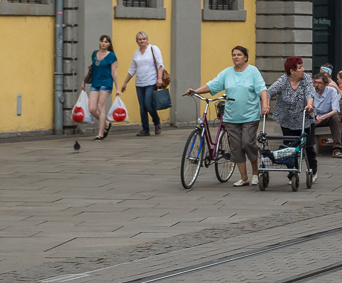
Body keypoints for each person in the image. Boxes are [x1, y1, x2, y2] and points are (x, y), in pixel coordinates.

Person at [186, 46, 268, 186]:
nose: (236, 57)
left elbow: (262, 88)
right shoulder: (227, 72)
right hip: (231, 117)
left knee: (248, 143)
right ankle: (244, 177)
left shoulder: (253, 71)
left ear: (245, 57)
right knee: (236, 147)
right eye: (234, 55)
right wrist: (196, 91)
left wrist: (265, 104)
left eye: (239, 54)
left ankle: (256, 172)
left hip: (250, 115)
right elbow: (213, 85)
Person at [267, 56, 318, 182]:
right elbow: (268, 92)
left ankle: (313, 170)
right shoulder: (283, 81)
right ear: (292, 71)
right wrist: (266, 105)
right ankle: (292, 173)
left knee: (308, 146)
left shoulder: (305, 78)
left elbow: (309, 93)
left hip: (305, 118)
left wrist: (309, 104)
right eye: (300, 67)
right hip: (287, 119)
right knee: (289, 147)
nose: (303, 70)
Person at [118, 31, 166, 137]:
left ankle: (157, 122)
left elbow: (160, 65)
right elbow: (132, 69)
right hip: (139, 83)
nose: (142, 41)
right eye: (140, 39)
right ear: (137, 41)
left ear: (147, 40)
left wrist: (159, 79)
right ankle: (145, 129)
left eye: (144, 39)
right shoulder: (136, 53)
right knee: (142, 107)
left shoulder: (154, 49)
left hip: (151, 81)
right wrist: (125, 82)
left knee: (149, 104)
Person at [88, 35, 118, 141]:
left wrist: (117, 88)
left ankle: (100, 134)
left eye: (106, 42)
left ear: (109, 44)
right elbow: (91, 68)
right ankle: (106, 124)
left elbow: (114, 72)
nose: (103, 43)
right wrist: (84, 82)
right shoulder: (94, 54)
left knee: (101, 108)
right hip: (95, 83)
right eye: (102, 41)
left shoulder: (111, 56)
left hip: (106, 83)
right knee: (91, 108)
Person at [311, 71, 342, 158]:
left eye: (320, 83)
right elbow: (309, 106)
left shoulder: (331, 91)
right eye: (315, 82)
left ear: (326, 84)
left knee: (335, 118)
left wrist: (322, 118)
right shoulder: (311, 91)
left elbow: (335, 110)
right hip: (313, 116)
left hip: (327, 116)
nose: (317, 85)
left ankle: (337, 149)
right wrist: (315, 116)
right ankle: (306, 148)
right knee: (305, 118)